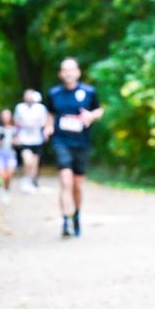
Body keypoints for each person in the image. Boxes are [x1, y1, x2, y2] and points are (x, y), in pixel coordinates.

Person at [44, 58, 103, 238]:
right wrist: (48, 126)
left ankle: (76, 214)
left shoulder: (89, 92)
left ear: (78, 72)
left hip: (82, 144)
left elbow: (99, 110)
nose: (68, 73)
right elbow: (50, 113)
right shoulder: (54, 93)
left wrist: (91, 116)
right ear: (61, 74)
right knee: (65, 182)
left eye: (72, 70)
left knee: (77, 185)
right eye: (65, 70)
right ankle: (65, 220)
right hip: (61, 142)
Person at [14, 89, 48, 194]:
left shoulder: (41, 108)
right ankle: (26, 179)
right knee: (27, 161)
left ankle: (32, 182)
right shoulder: (20, 107)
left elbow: (45, 122)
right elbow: (16, 122)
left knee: (34, 163)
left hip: (37, 140)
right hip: (24, 139)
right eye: (26, 95)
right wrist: (16, 135)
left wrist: (44, 131)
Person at [0, 109, 18, 203]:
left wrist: (15, 142)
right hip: (0, 154)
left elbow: (17, 142)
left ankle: (6, 191)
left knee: (9, 175)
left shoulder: (14, 129)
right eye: (4, 115)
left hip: (10, 154)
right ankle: (1, 191)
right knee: (2, 175)